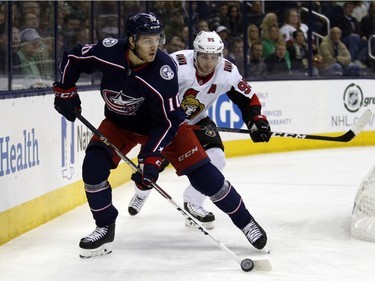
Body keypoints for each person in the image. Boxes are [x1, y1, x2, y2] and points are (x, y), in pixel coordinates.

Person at [52, 12, 270, 259]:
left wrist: (151, 158)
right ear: (132, 40)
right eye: (147, 40)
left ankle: (246, 222)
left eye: (157, 38)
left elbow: (168, 121)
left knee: (207, 177)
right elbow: (73, 57)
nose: (154, 45)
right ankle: (104, 227)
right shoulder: (108, 51)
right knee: (92, 168)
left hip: (163, 126)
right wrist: (65, 91)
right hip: (119, 123)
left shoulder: (164, 71)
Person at [127, 29, 271, 231]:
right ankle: (141, 193)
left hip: (198, 121)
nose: (208, 62)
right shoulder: (176, 64)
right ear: (195, 52)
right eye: (203, 56)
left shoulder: (227, 72)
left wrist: (256, 121)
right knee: (150, 170)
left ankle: (193, 202)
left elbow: (247, 98)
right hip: (166, 123)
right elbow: (148, 89)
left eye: (213, 57)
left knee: (217, 159)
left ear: (220, 56)